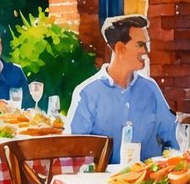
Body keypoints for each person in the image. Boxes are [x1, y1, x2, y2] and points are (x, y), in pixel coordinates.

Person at [67, 14, 180, 163]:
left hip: (147, 182)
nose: (145, 52)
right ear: (120, 48)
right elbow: (74, 150)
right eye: (140, 45)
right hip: (101, 183)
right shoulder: (87, 93)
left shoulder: (150, 89)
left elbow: (173, 141)